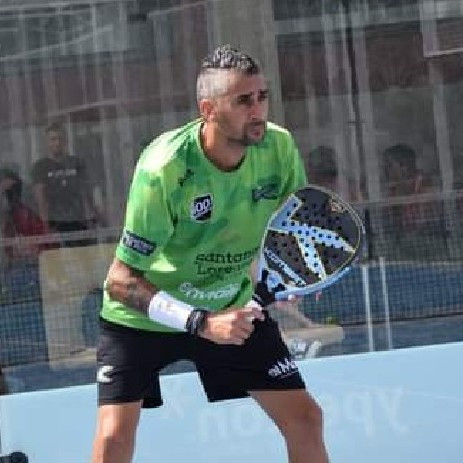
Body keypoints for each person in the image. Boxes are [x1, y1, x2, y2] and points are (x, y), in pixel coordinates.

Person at [91, 45, 330, 463]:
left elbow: (294, 226)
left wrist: (295, 272)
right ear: (208, 109)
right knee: (114, 439)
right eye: (243, 101)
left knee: (306, 419)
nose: (257, 110)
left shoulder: (278, 147)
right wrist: (199, 322)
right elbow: (120, 281)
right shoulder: (165, 168)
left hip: (232, 307)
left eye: (262, 97)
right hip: (145, 316)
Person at [31, 123, 102, 245]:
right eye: (53, 139)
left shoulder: (76, 162)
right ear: (47, 142)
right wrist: (45, 225)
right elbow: (40, 198)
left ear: (65, 141)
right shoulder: (41, 166)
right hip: (55, 223)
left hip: (78, 221)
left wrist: (95, 215)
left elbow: (86, 191)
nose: (57, 143)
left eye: (60, 139)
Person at [0, 168, 49, 264]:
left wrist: (32, 248)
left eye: (10, 193)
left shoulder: (27, 216)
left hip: (25, 265)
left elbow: (45, 244)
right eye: (3, 193)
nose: (5, 198)